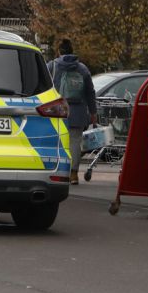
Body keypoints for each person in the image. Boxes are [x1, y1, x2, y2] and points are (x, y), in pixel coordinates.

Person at [47, 38, 97, 184]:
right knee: (75, 142)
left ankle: (56, 170)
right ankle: (73, 174)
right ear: (72, 50)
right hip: (78, 111)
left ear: (59, 51)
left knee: (56, 141)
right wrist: (93, 112)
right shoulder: (82, 69)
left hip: (56, 110)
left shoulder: (52, 67)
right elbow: (90, 92)